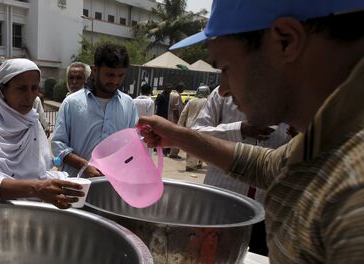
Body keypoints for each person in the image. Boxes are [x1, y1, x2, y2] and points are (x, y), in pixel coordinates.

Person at [138, 1, 364, 262]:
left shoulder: (353, 197)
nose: (222, 89)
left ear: (286, 41)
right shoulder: (329, 137)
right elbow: (269, 164)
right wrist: (178, 136)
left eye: (225, 68)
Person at [0, 58, 84, 209]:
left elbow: (37, 172)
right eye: (21, 88)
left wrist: (60, 180)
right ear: (2, 89)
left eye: (34, 88)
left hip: (32, 213)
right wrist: (36, 188)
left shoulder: (32, 121)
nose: (29, 96)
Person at [192, 87, 291, 255]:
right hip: (222, 202)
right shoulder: (223, 93)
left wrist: (300, 136)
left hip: (269, 207)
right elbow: (196, 134)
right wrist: (239, 130)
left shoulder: (289, 94)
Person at [52, 43, 139, 178]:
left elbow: (132, 146)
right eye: (109, 75)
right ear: (95, 70)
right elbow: (58, 145)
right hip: (77, 186)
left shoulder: (128, 105)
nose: (115, 81)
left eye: (120, 75)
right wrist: (84, 166)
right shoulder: (72, 103)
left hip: (113, 186)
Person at [177, 85, 210, 171]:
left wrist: (179, 125)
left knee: (191, 146)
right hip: (202, 127)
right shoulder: (207, 102)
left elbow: (183, 114)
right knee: (201, 146)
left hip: (190, 126)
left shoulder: (191, 101)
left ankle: (194, 164)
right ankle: (195, 164)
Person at [167, 82, 184, 158]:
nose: (184, 89)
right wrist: (177, 120)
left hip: (169, 117)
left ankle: (169, 150)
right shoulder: (177, 95)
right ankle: (173, 153)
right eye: (183, 88)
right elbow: (175, 109)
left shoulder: (171, 94)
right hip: (174, 118)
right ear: (179, 88)